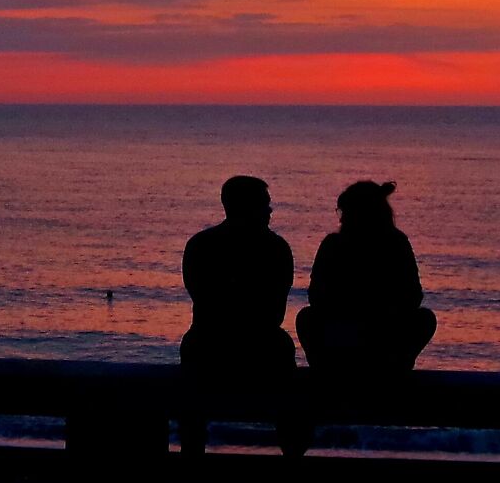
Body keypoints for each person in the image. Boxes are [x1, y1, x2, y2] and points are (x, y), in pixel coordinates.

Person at [179, 175, 301, 458]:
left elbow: (201, 298)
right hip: (259, 342)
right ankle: (293, 454)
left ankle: (192, 450)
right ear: (247, 207)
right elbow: (275, 312)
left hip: (208, 341)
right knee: (283, 354)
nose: (270, 212)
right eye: (265, 205)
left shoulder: (200, 244)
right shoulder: (277, 248)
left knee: (193, 351)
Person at [296, 180, 437, 378]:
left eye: (345, 213)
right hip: (360, 331)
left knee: (307, 318)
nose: (341, 219)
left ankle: (331, 373)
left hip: (377, 331)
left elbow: (317, 296)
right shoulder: (395, 243)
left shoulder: (337, 245)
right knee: (306, 318)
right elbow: (413, 296)